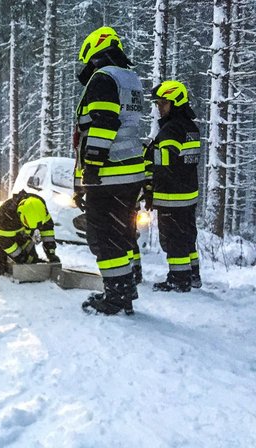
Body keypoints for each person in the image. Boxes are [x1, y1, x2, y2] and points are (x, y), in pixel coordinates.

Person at [73, 26, 146, 315]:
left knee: (104, 238)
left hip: (109, 173)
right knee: (122, 234)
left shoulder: (103, 78)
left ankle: (115, 297)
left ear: (94, 52)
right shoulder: (129, 78)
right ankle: (124, 291)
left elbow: (104, 123)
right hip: (131, 172)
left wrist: (92, 166)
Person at [145, 80, 201, 292]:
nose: (159, 108)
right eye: (158, 104)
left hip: (172, 196)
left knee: (173, 238)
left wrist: (150, 188)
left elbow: (163, 165)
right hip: (188, 194)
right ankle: (193, 274)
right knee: (187, 236)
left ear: (175, 102)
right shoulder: (190, 127)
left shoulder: (171, 130)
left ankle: (178, 279)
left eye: (163, 103)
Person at [0, 191, 60, 275]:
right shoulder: (6, 215)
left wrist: (51, 252)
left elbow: (47, 230)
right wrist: (19, 256)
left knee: (30, 262)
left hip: (21, 235)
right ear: (21, 214)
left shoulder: (39, 206)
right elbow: (6, 242)